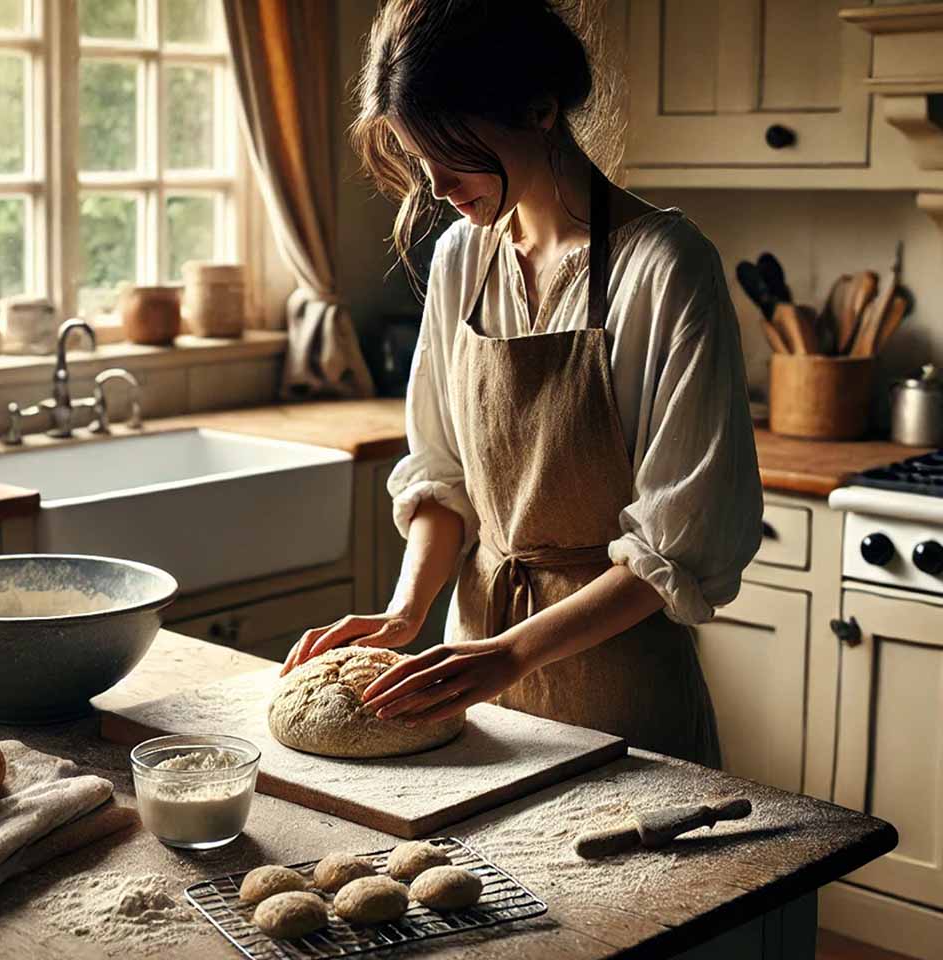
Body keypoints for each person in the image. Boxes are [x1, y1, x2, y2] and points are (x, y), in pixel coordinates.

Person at [281, 0, 763, 766]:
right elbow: (442, 475)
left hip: (619, 683)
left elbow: (679, 543)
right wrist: (407, 613)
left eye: (452, 153)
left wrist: (513, 654)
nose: (435, 187)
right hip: (467, 668)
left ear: (539, 110)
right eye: (417, 155)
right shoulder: (462, 262)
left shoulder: (664, 269)